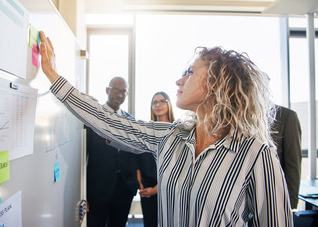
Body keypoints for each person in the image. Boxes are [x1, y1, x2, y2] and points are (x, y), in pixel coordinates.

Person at [39, 31, 293, 226]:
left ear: (217, 84)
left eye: (189, 72)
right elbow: (110, 122)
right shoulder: (170, 136)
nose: (179, 79)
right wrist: (53, 76)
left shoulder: (256, 155)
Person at [85, 76, 139, 227]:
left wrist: (133, 185)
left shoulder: (131, 121)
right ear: (107, 90)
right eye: (116, 90)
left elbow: (134, 154)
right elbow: (83, 157)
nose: (119, 95)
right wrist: (83, 192)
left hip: (124, 189)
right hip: (97, 189)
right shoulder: (93, 118)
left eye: (123, 91)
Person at [137, 91, 175, 227]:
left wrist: (156, 189)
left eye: (162, 101)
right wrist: (140, 184)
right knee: (149, 222)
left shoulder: (176, 130)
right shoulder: (147, 130)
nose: (158, 105)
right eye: (154, 102)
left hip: (168, 187)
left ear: (168, 104)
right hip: (147, 186)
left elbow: (176, 165)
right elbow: (139, 157)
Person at [271, 105, 302, 209]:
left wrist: (290, 204)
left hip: (276, 197)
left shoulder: (286, 116)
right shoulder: (239, 115)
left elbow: (293, 164)